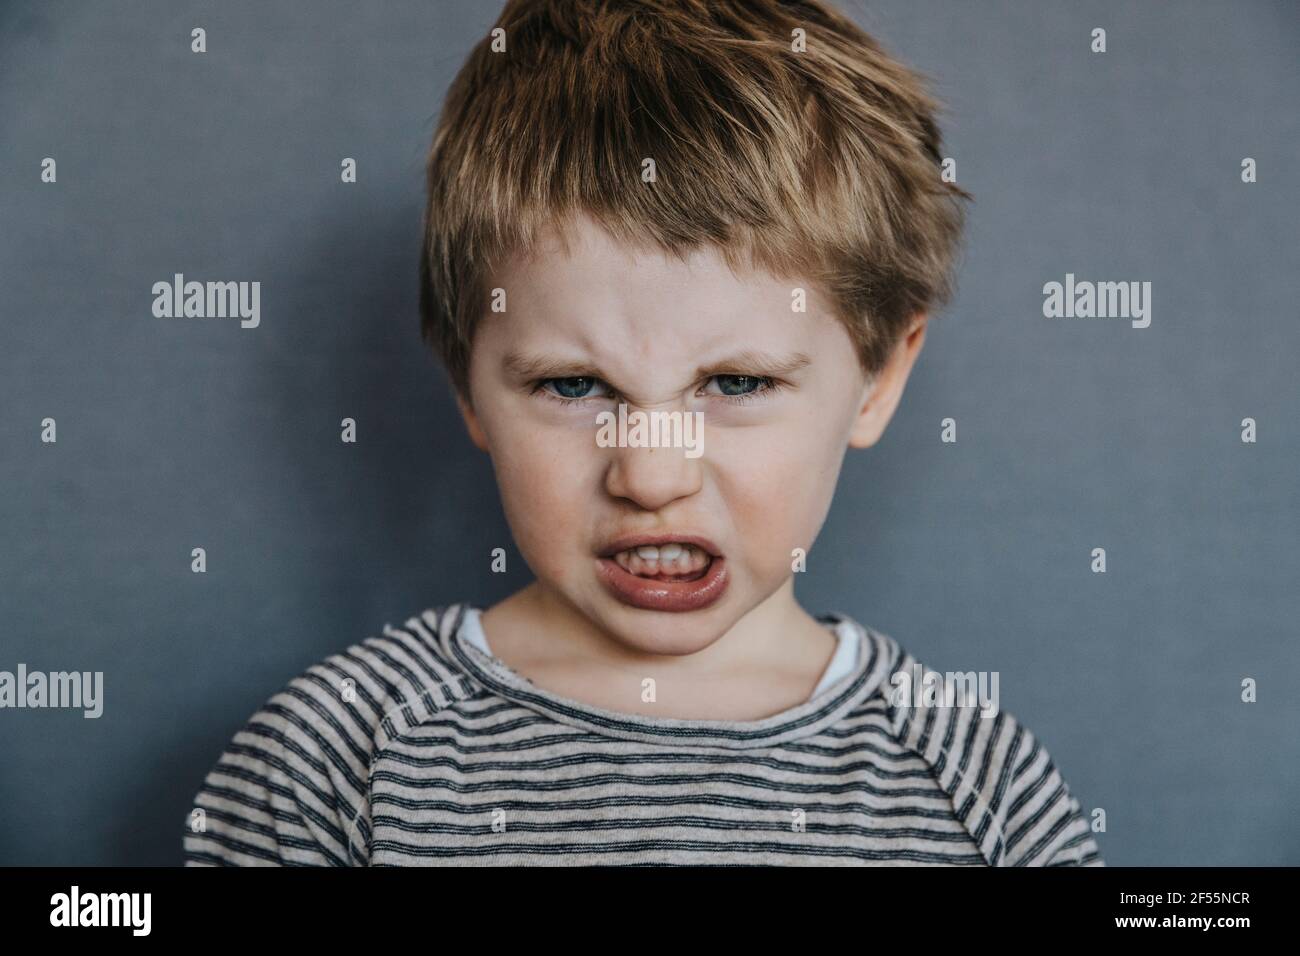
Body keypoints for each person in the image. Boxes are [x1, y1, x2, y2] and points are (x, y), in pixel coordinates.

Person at [184, 0, 1101, 866]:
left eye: (736, 382)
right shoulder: (332, 762)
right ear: (466, 383)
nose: (652, 476)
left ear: (879, 379)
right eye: (574, 385)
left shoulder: (980, 789)